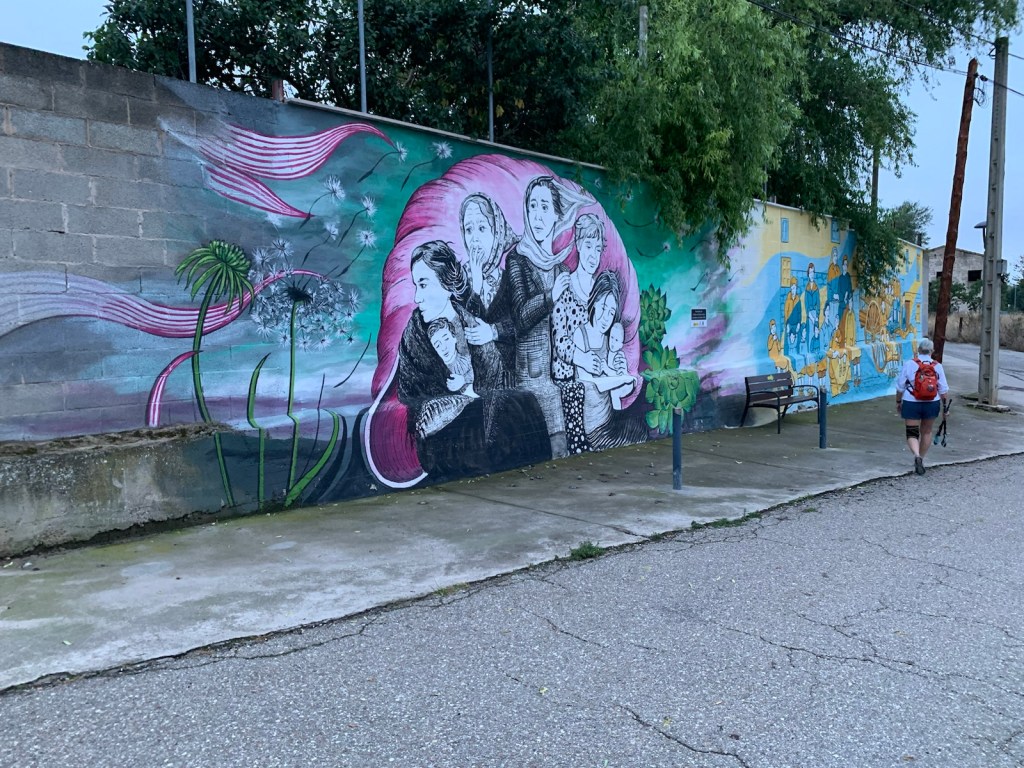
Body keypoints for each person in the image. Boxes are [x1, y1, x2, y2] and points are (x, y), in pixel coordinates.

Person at [397, 240, 550, 478]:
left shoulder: (471, 323)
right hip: (445, 434)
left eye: (424, 285)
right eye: (417, 285)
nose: (417, 297)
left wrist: (476, 390)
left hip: (482, 412)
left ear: (447, 285)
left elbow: (493, 375)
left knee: (525, 405)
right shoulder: (413, 337)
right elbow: (412, 398)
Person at [895, 337, 949, 475]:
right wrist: (945, 408)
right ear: (932, 351)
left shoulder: (909, 364)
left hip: (911, 402)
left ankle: (916, 455)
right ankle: (922, 459)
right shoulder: (937, 366)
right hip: (932, 403)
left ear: (918, 350)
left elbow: (900, 386)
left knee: (912, 433)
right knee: (927, 432)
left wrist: (898, 401)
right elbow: (943, 390)